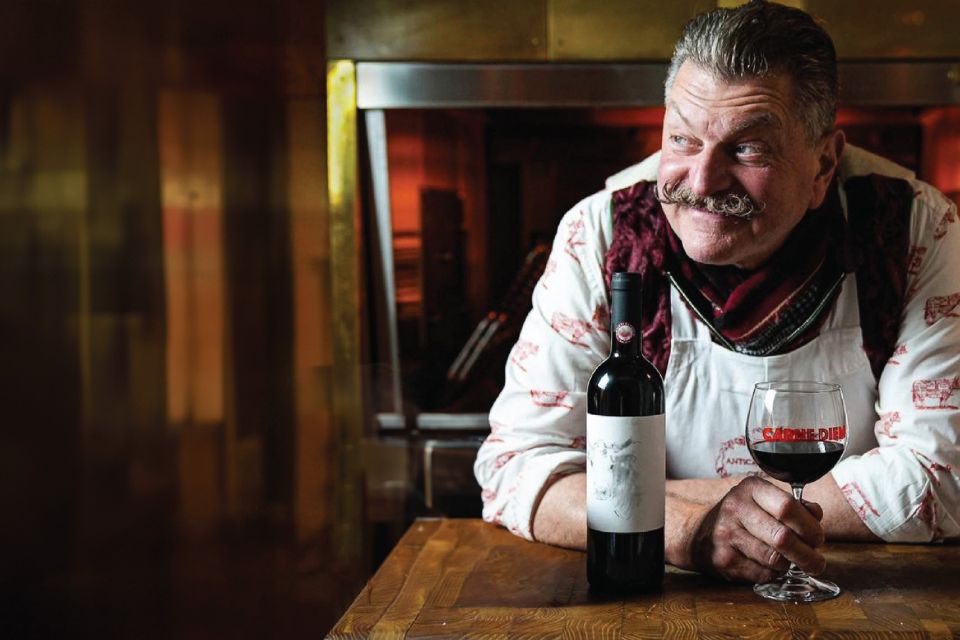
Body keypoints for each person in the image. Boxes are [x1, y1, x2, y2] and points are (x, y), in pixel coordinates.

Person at [474, 0, 960, 584]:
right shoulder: (601, 233)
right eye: (681, 139)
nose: (701, 183)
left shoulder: (915, 230)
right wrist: (688, 530)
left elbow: (941, 473)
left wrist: (640, 492)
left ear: (824, 163)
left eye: (747, 148)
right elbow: (515, 468)